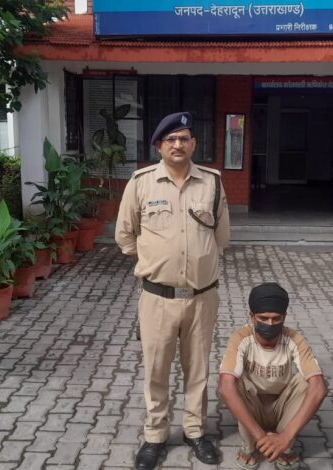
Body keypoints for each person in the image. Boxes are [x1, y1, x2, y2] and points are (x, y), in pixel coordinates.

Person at [115, 111, 231, 470]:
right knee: (156, 370)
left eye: (184, 138)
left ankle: (195, 431)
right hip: (157, 297)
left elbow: (222, 237)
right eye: (170, 139)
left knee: (198, 368)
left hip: (202, 297)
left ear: (193, 144)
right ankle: (155, 436)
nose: (177, 144)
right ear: (159, 146)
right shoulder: (141, 183)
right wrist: (154, 260)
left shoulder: (212, 182)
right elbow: (124, 235)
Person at [218, 283, 327, 470]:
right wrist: (261, 437)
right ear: (252, 317)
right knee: (233, 383)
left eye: (276, 318)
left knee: (309, 382)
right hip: (254, 405)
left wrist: (286, 437)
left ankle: (284, 447)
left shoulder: (294, 339)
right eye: (263, 318)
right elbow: (225, 388)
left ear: (284, 317)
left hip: (281, 406)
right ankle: (250, 446)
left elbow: (319, 388)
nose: (270, 324)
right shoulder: (241, 338)